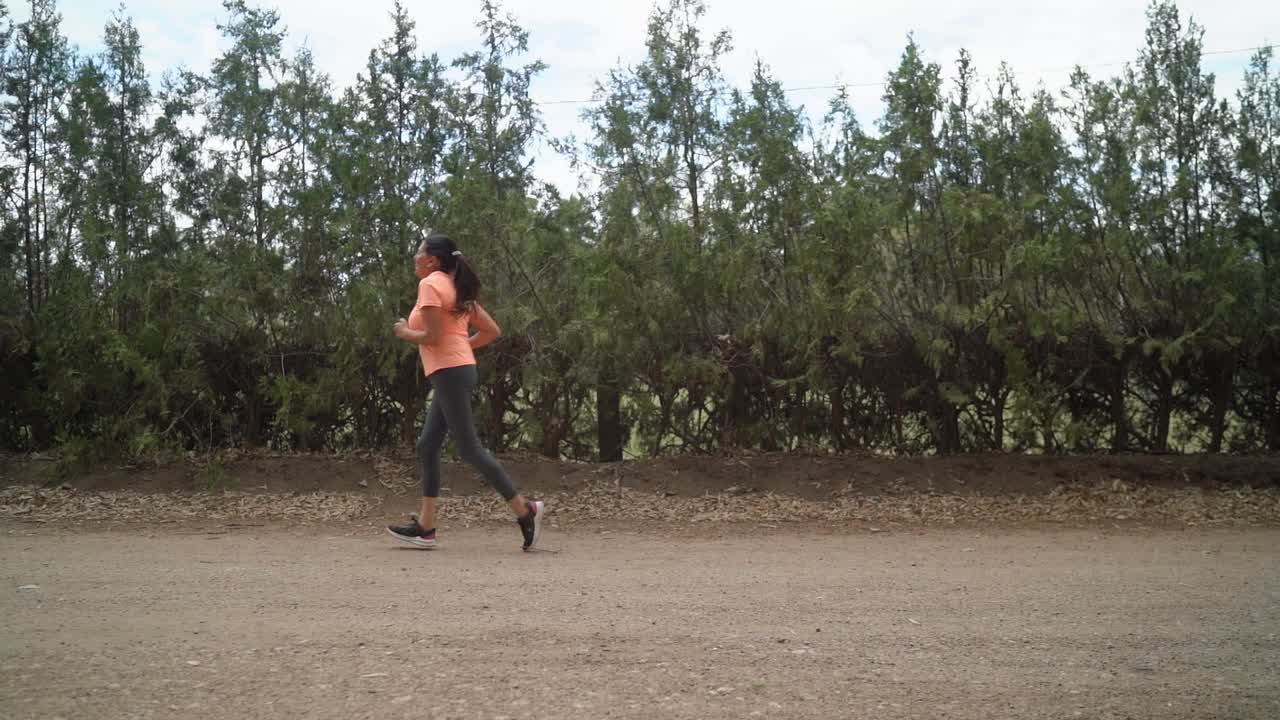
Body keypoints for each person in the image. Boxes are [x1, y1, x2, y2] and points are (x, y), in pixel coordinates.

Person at [386, 230, 544, 551]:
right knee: (428, 445)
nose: (415, 258)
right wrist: (463, 349)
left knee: (470, 449)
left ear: (432, 260)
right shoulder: (457, 286)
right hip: (456, 370)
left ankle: (525, 511)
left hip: (449, 373)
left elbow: (430, 336)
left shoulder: (430, 284)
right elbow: (491, 330)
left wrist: (403, 331)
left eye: (419, 252)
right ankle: (426, 528)